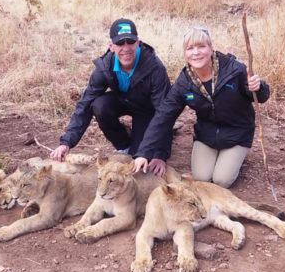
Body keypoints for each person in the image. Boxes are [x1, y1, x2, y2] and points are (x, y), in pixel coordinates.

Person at [133, 27, 270, 188]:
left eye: (201, 47)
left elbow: (261, 97)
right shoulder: (184, 82)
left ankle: (237, 157)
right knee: (201, 177)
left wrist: (258, 87)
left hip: (237, 133)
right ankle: (222, 157)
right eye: (190, 48)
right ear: (185, 53)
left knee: (221, 180)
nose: (196, 53)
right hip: (207, 135)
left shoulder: (234, 69)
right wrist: (144, 153)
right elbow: (163, 116)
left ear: (211, 49)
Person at [50, 18, 172, 163]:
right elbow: (84, 104)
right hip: (123, 100)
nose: (126, 48)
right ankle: (124, 144)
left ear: (138, 43)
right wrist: (66, 142)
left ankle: (140, 141)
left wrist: (160, 155)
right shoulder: (104, 67)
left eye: (130, 42)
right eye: (120, 43)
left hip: (146, 109)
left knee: (140, 156)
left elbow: (164, 112)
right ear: (111, 46)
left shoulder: (155, 67)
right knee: (99, 105)